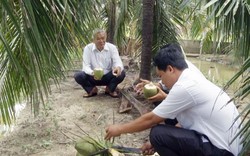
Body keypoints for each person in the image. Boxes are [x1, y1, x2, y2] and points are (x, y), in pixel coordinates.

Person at [105, 43, 242, 156]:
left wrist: (119, 129)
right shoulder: (190, 75)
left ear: (170, 69)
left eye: (161, 76)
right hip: (224, 144)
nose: (161, 81)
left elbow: (151, 119)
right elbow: (185, 122)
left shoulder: (184, 87)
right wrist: (154, 145)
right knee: (166, 125)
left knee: (157, 134)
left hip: (223, 151)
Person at [74, 29, 125, 98]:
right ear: (93, 40)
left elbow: (117, 62)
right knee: (78, 75)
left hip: (108, 76)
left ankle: (110, 88)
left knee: (121, 73)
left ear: (106, 38)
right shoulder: (88, 48)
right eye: (98, 39)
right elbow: (86, 66)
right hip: (93, 76)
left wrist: (118, 68)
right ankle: (92, 90)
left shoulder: (112, 48)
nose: (101, 41)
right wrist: (92, 73)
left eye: (103, 38)